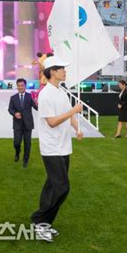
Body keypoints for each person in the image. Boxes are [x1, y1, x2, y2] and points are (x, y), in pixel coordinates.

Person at [31, 56, 83, 243]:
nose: (65, 71)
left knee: (52, 187)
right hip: (51, 148)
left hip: (63, 148)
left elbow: (69, 116)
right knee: (62, 188)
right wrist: (73, 111)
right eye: (62, 68)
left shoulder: (61, 91)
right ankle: (39, 220)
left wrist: (77, 129)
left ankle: (44, 224)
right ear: (52, 71)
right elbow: (52, 122)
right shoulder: (45, 94)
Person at [8, 78, 37, 168]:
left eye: (22, 85)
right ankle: (17, 152)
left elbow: (36, 108)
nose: (20, 87)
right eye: (19, 85)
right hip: (17, 124)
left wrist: (37, 102)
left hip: (28, 124)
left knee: (27, 143)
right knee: (17, 142)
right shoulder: (13, 98)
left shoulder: (30, 96)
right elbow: (10, 109)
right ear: (17, 86)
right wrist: (14, 113)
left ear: (25, 86)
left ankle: (25, 160)